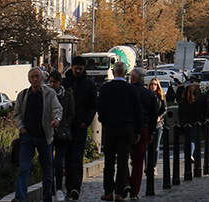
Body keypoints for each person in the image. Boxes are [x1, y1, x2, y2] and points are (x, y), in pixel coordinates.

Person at [14, 67, 63, 202]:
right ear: (29, 79)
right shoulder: (23, 95)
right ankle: (20, 198)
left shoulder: (49, 94)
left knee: (47, 171)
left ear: (42, 78)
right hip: (27, 137)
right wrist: (21, 128)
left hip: (44, 137)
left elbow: (57, 108)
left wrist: (56, 120)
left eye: (37, 76)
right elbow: (17, 114)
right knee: (23, 169)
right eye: (32, 77)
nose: (35, 79)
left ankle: (47, 198)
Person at [96, 62, 142, 202]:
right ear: (125, 72)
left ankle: (108, 191)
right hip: (127, 127)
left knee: (109, 160)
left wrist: (105, 122)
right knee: (123, 161)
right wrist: (137, 131)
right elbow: (138, 111)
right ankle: (120, 193)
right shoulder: (131, 89)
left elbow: (101, 109)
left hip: (111, 127)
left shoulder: (105, 88)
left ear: (113, 72)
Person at [62, 56, 97, 201]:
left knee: (77, 158)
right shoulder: (65, 82)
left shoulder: (89, 84)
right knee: (67, 159)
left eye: (80, 69)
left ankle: (76, 187)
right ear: (72, 67)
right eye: (76, 68)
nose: (78, 71)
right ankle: (69, 188)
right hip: (66, 126)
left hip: (81, 126)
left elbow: (93, 105)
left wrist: (86, 121)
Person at [127, 69, 157, 201]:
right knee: (139, 162)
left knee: (123, 158)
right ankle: (134, 192)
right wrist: (151, 132)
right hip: (144, 128)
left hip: (127, 127)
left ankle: (126, 183)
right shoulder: (149, 94)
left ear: (132, 78)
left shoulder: (127, 91)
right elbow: (153, 115)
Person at [49, 70, 75, 202]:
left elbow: (71, 113)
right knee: (48, 162)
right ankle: (50, 190)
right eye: (51, 81)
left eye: (55, 81)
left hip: (62, 132)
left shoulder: (67, 95)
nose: (53, 84)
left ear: (60, 82)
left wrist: (64, 124)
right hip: (48, 132)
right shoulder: (46, 94)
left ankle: (59, 189)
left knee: (59, 162)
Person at [177, 83, 205, 163]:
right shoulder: (195, 101)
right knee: (192, 140)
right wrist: (200, 121)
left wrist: (181, 121)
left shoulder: (182, 101)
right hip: (193, 122)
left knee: (186, 140)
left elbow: (180, 113)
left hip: (184, 122)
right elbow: (198, 113)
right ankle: (191, 154)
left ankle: (187, 154)